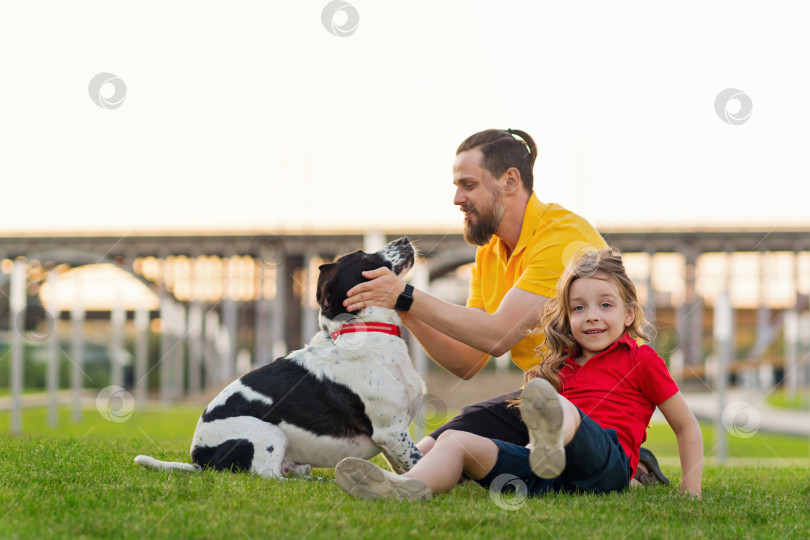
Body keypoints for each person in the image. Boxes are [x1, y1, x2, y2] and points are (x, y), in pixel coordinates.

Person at [342, 128, 666, 484]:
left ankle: (631, 462)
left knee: (470, 454)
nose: (456, 198)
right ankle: (402, 486)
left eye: (468, 185)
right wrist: (405, 310)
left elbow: (498, 336)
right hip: (542, 394)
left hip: (593, 400)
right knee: (423, 456)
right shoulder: (488, 254)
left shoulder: (560, 240)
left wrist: (404, 294)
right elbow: (467, 361)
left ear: (509, 180)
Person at [335, 248, 704, 501]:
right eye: (579, 308)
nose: (591, 315)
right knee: (456, 441)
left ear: (628, 314)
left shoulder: (640, 359)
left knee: (559, 407)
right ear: (568, 317)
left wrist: (692, 493)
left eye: (605, 305)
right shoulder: (564, 366)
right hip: (550, 477)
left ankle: (548, 443)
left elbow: (686, 426)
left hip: (605, 467)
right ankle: (405, 487)